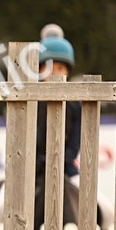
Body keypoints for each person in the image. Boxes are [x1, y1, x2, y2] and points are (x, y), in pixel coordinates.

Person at [35, 24, 82, 178]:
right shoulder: (30, 102)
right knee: (1, 200)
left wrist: (63, 159)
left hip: (65, 167)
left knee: (99, 202)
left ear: (68, 71)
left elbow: (76, 139)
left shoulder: (75, 104)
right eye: (49, 68)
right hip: (31, 166)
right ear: (39, 70)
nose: (55, 73)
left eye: (60, 68)